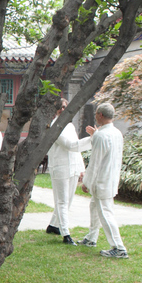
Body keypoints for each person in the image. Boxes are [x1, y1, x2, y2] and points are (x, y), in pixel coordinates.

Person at [78, 102, 128, 258]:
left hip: (102, 180)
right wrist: (94, 135)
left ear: (100, 115)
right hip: (111, 178)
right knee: (95, 206)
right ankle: (91, 237)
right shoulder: (116, 133)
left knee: (105, 213)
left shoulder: (102, 135)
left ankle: (118, 247)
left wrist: (86, 181)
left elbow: (95, 162)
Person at [45, 98, 91, 244]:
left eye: (65, 107)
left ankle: (53, 225)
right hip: (60, 167)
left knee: (68, 200)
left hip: (73, 166)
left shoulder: (70, 126)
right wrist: (92, 139)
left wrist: (81, 168)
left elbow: (76, 150)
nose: (63, 109)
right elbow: (71, 145)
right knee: (62, 201)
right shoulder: (55, 126)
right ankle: (66, 234)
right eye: (60, 107)